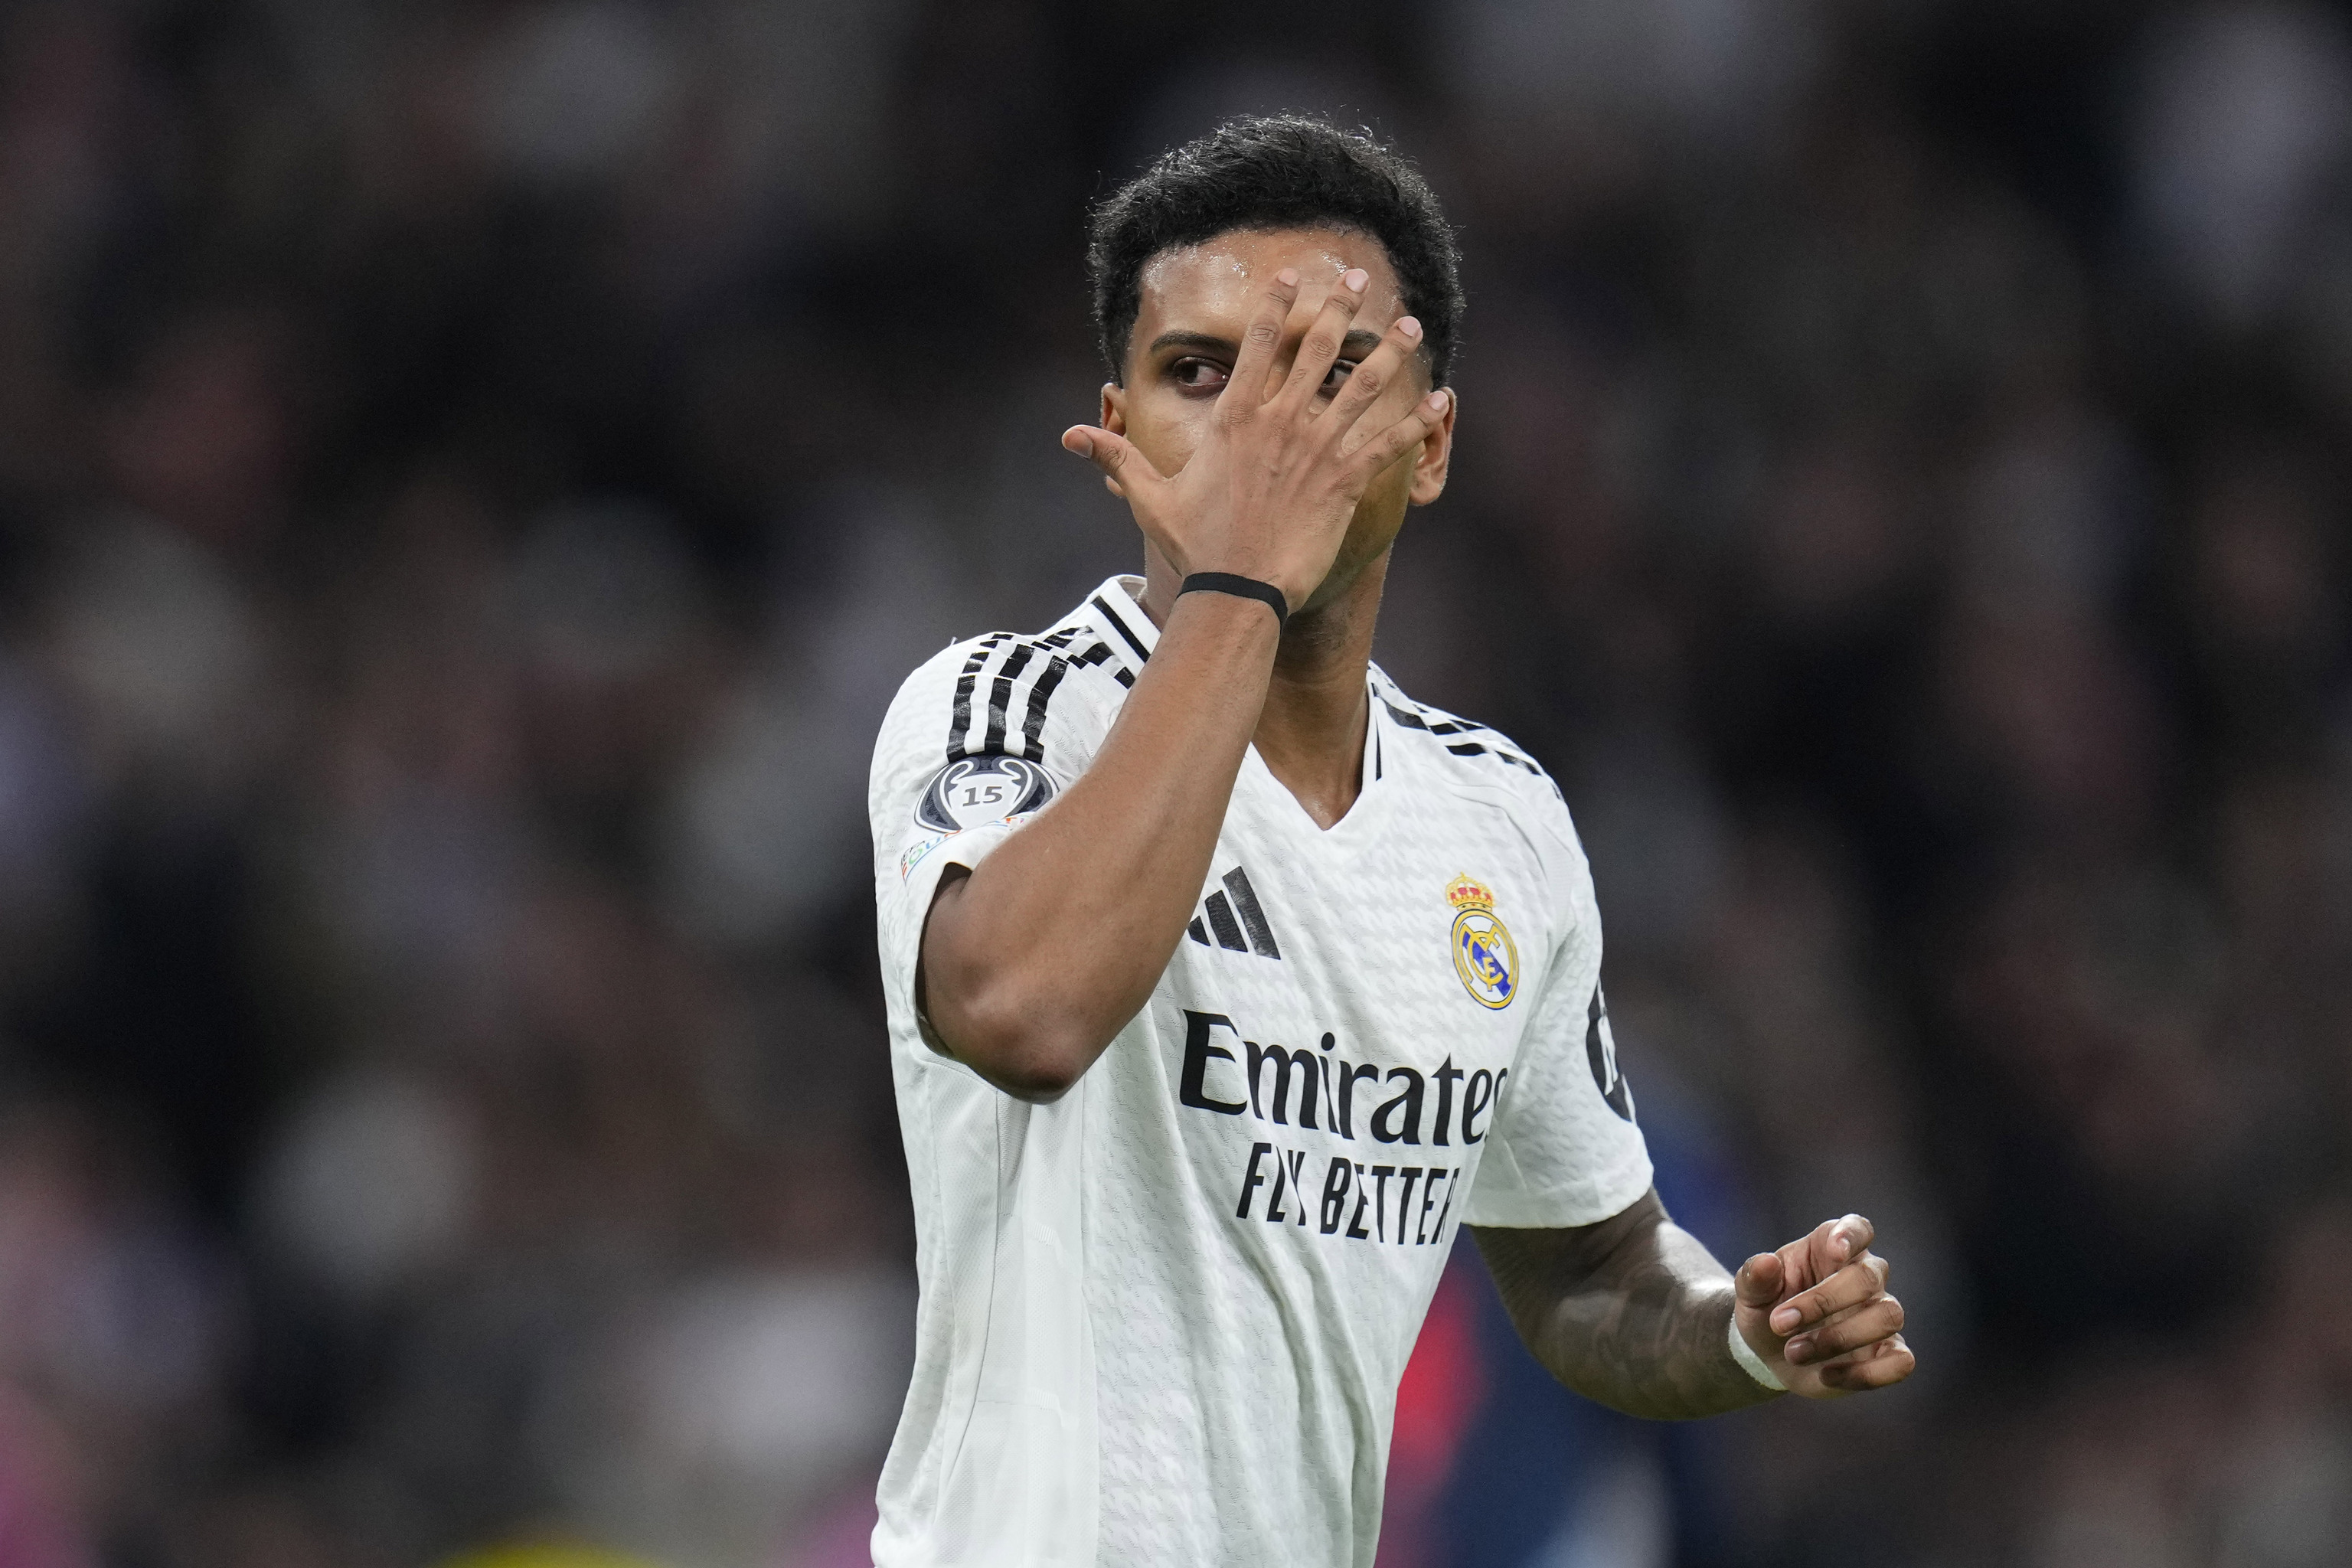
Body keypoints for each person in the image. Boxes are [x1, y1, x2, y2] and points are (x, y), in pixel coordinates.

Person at [864, 115, 1914, 1567]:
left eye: (1328, 371)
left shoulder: (1499, 821)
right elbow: (1022, 1010)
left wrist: (1735, 1330)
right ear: (1118, 437)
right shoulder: (1006, 707)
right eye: (1199, 375)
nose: (1261, 430)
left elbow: (1590, 1267)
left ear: (1430, 447)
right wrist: (1243, 572)